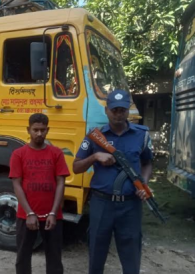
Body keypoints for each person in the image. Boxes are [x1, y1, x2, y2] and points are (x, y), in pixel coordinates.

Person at [72, 89, 153, 274]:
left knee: (131, 256)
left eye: (122, 110)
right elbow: (76, 167)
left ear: (128, 111)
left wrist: (144, 183)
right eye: (114, 109)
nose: (118, 114)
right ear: (106, 110)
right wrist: (94, 157)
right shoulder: (94, 136)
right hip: (102, 204)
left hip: (131, 205)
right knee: (96, 255)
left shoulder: (141, 135)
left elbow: (147, 163)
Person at [9, 113, 70, 274]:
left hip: (52, 216)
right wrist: (29, 213)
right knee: (23, 257)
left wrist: (53, 212)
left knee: (55, 258)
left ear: (47, 130)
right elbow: (17, 183)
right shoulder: (18, 154)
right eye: (35, 130)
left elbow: (60, 182)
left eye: (42, 130)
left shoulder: (56, 153)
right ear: (28, 130)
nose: (39, 134)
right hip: (26, 215)